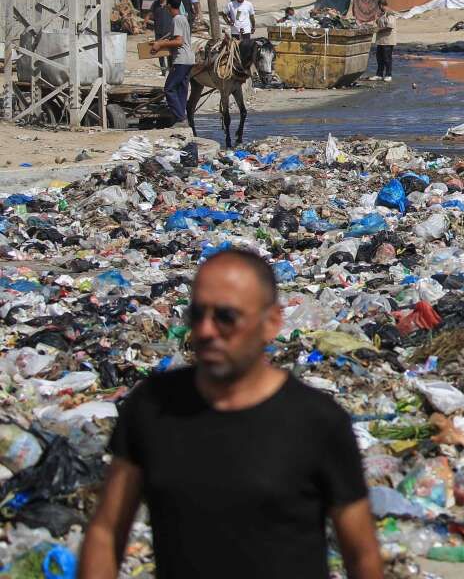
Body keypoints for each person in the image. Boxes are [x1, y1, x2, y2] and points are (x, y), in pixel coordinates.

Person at [78, 248, 384, 579]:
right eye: (197, 314)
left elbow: (362, 555)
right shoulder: (153, 406)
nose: (207, 331)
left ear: (271, 323)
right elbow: (107, 531)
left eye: (226, 316)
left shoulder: (317, 422)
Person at [151, 0, 193, 124]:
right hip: (189, 59)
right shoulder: (183, 18)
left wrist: (160, 44)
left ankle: (180, 118)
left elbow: (179, 41)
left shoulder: (176, 19)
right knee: (181, 89)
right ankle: (181, 117)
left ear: (169, 5)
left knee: (169, 88)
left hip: (181, 60)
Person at [368, 0, 395, 82]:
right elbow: (380, 24)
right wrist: (376, 19)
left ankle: (388, 75)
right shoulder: (381, 14)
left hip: (387, 40)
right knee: (379, 58)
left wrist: (378, 29)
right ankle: (379, 75)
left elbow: (389, 27)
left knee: (387, 58)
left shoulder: (390, 14)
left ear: (381, 5)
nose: (379, 8)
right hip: (380, 41)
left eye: (379, 6)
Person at [150, 0, 174, 74]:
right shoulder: (155, 4)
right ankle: (163, 70)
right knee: (159, 50)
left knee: (169, 51)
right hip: (158, 31)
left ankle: (171, 68)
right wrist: (146, 20)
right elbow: (151, 13)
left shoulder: (170, 4)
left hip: (168, 31)